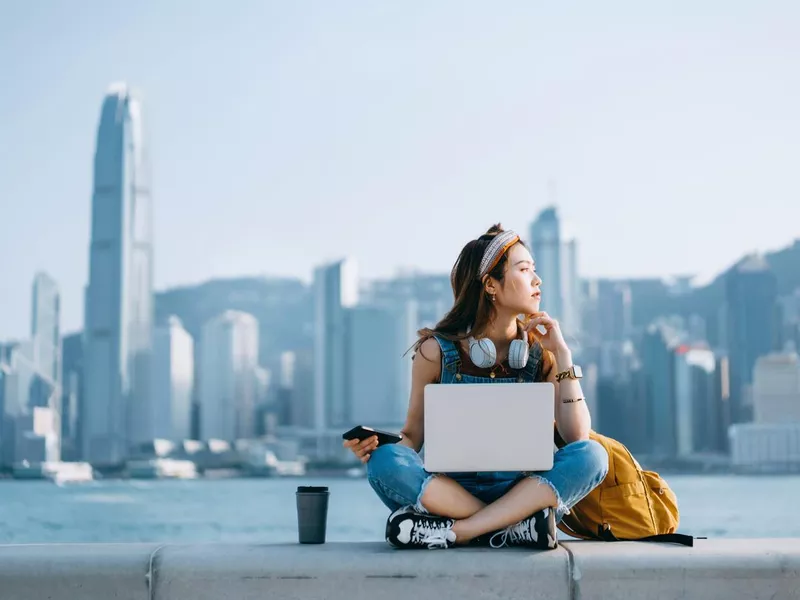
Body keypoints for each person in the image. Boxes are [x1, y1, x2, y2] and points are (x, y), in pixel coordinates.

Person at [343, 224, 608, 550]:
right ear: (491, 285)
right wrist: (378, 446)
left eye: (534, 270)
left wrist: (564, 356)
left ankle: (460, 532)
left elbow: (576, 436)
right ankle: (514, 528)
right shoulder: (435, 351)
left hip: (522, 489)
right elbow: (412, 436)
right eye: (525, 270)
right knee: (384, 461)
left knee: (593, 454)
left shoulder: (542, 352)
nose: (537, 281)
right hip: (448, 491)